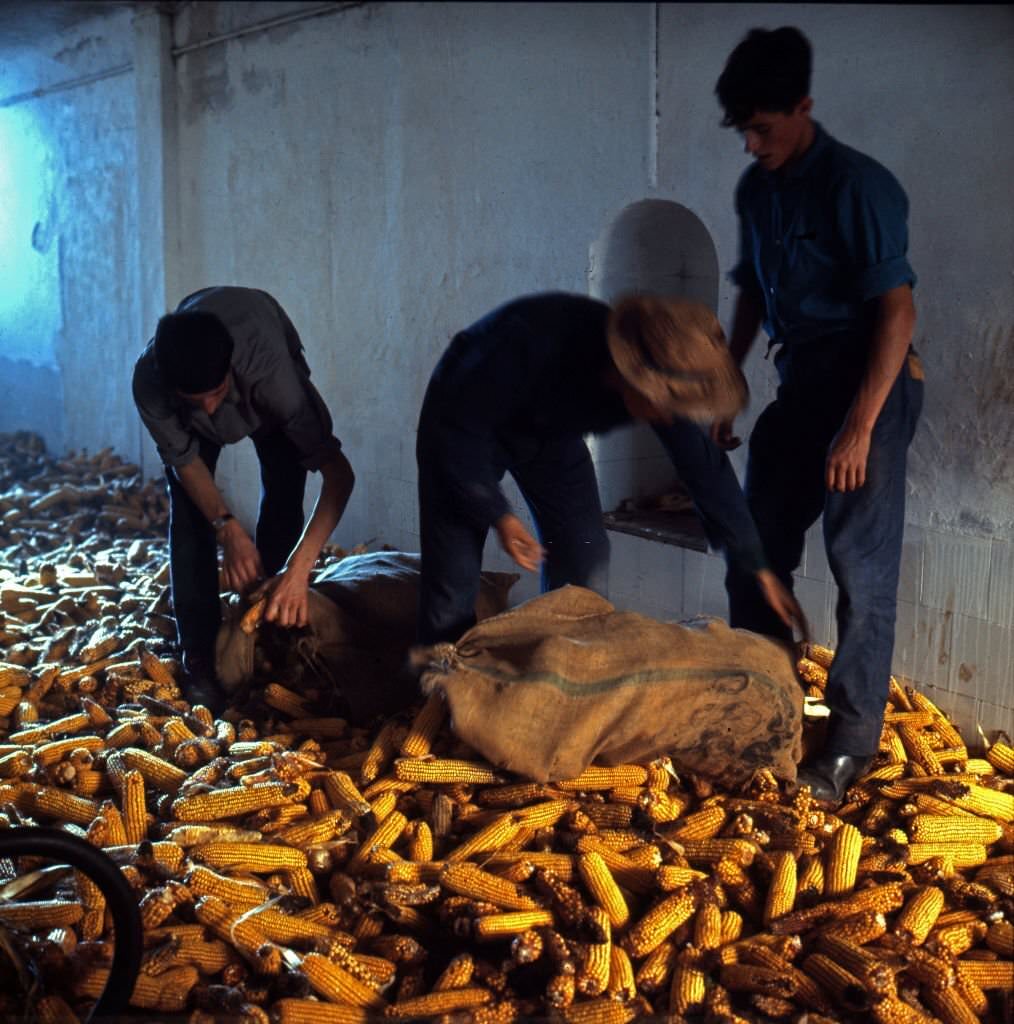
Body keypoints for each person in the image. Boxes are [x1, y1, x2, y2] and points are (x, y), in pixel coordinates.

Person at [713, 27, 924, 803]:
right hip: (800, 385)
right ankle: (764, 712)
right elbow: (748, 291)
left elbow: (896, 315)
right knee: (754, 548)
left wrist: (861, 429)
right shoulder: (757, 189)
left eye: (763, 127)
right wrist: (726, 380)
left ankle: (850, 745)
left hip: (872, 383)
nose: (750, 144)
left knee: (858, 570)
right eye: (742, 130)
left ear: (804, 107)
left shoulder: (858, 186)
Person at [415, 291, 807, 646]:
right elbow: (458, 438)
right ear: (632, 377)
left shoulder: (666, 374)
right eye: (663, 404)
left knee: (585, 552)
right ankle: (435, 692)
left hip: (552, 437)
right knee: (453, 581)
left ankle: (558, 666)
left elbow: (705, 469)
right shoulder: (525, 342)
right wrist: (499, 516)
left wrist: (756, 566)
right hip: (462, 427)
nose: (667, 418)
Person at [133, 286, 355, 710]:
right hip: (196, 408)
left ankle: (275, 622)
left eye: (215, 395)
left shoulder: (275, 379)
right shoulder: (149, 384)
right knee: (189, 513)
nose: (212, 411)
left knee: (285, 488)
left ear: (230, 371)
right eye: (196, 402)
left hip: (262, 378)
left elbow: (339, 477)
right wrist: (227, 528)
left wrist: (298, 569)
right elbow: (186, 464)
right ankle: (197, 650)